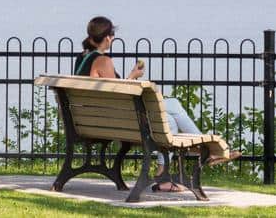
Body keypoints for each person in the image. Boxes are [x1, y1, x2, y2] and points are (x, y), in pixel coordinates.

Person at [73, 16, 241, 192]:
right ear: (108, 37)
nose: (113, 38)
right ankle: (207, 151)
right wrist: (133, 77)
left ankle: (171, 173)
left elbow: (110, 94)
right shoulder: (103, 61)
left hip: (95, 121)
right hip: (116, 118)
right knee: (173, 106)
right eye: (112, 34)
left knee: (168, 119)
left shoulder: (82, 58)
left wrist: (130, 77)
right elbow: (119, 95)